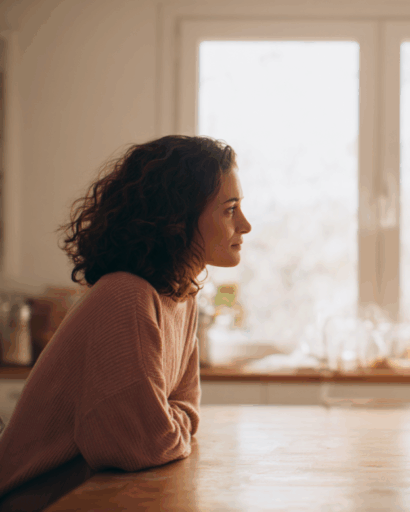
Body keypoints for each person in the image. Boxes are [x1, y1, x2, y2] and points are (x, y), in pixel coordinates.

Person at [0, 135, 252, 511]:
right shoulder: (127, 297)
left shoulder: (179, 297)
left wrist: (166, 425)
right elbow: (138, 447)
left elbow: (185, 411)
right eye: (229, 209)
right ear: (178, 215)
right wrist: (163, 425)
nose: (245, 225)